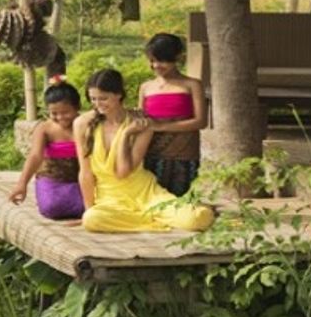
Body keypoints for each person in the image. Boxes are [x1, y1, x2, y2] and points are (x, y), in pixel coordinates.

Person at [75, 69, 214, 234]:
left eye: (103, 98)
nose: (98, 104)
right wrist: (88, 209)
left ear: (119, 94)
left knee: (196, 219)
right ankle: (153, 218)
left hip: (146, 195)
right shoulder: (82, 123)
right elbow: (85, 173)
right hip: (110, 201)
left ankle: (153, 214)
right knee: (92, 219)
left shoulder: (141, 123)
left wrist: (126, 134)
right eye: (93, 99)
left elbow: (123, 172)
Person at [138, 33, 205, 196]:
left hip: (183, 154)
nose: (156, 66)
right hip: (151, 153)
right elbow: (141, 119)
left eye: (162, 60)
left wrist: (162, 126)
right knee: (153, 200)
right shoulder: (146, 87)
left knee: (178, 201)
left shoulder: (192, 85)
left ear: (176, 58)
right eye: (152, 61)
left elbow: (200, 121)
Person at [7, 79, 84, 219]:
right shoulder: (44, 128)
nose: (60, 117)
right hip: (52, 182)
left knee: (90, 205)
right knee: (52, 207)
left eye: (65, 112)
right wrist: (21, 184)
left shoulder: (86, 125)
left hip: (80, 181)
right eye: (54, 113)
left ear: (77, 107)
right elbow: (35, 156)